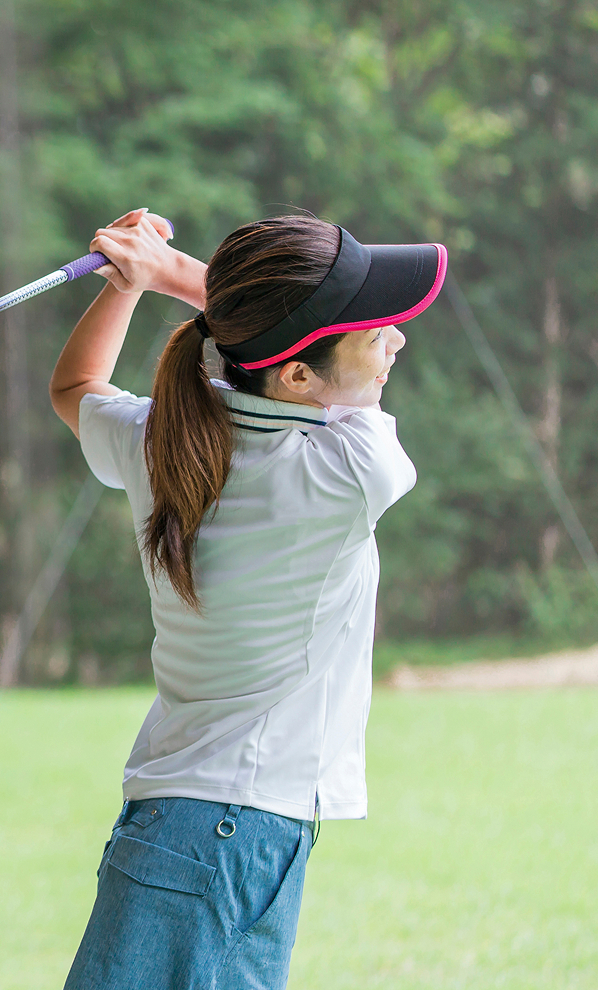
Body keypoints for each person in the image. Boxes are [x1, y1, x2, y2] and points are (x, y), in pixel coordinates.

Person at [50, 209, 443, 986]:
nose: (395, 339)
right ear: (298, 375)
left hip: (206, 824)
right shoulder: (352, 467)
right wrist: (160, 272)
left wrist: (131, 283)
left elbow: (75, 387)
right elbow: (94, 382)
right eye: (373, 333)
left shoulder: (162, 444)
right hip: (232, 829)